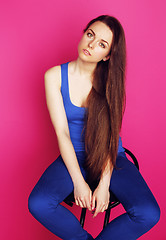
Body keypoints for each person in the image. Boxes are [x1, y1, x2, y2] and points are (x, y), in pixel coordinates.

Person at [28, 15, 160, 240]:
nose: (91, 45)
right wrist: (79, 182)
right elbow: (62, 132)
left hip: (109, 156)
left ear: (107, 55)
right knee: (38, 203)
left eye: (102, 44)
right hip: (74, 155)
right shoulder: (54, 76)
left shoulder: (111, 82)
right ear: (83, 34)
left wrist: (104, 185)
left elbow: (110, 136)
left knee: (149, 213)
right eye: (90, 34)